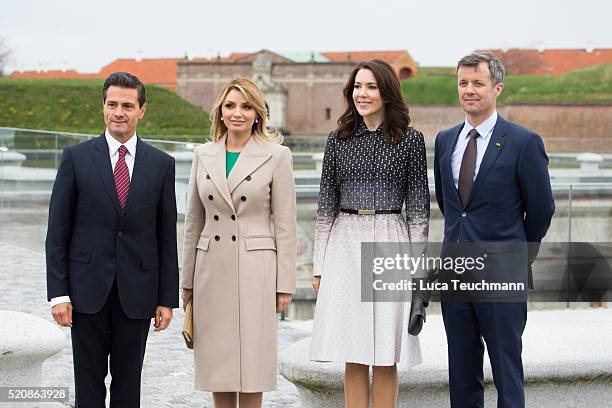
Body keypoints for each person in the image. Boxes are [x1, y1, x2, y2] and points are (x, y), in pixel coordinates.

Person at [46, 71, 179, 406]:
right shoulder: (75, 158)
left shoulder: (162, 164)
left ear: (141, 110)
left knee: (128, 386)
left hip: (137, 293)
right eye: (113, 104)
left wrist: (166, 298)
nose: (119, 111)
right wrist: (58, 294)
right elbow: (57, 232)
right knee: (87, 385)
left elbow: (166, 235)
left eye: (128, 105)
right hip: (85, 291)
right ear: (103, 107)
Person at [433, 52, 555, 407]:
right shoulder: (445, 141)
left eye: (478, 83)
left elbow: (542, 209)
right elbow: (451, 205)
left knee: (507, 373)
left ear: (497, 88)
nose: (469, 90)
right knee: (461, 373)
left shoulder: (522, 142)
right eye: (463, 83)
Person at [309, 59, 430, 407]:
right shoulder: (338, 139)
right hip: (344, 244)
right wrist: (319, 266)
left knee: (386, 351)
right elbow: (325, 207)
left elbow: (419, 212)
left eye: (371, 86)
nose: (362, 94)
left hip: (392, 239)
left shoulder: (410, 141)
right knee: (353, 348)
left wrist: (418, 271)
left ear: (387, 91)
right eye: (358, 87)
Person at [181, 78, 297, 408]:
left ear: (258, 114)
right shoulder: (203, 155)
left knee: (251, 362)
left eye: (246, 107)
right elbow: (194, 222)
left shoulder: (277, 156)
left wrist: (284, 283)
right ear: (220, 111)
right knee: (219, 363)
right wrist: (186, 281)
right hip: (211, 268)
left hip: (255, 270)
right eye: (231, 106)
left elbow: (286, 224)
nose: (238, 113)